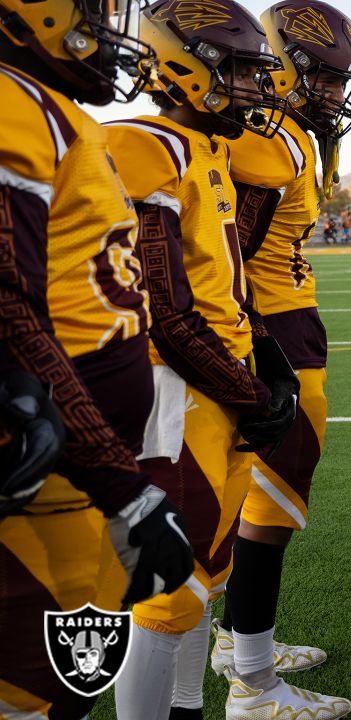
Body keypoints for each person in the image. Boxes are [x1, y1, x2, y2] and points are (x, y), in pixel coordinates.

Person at [104, 3, 306, 718]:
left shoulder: (206, 147)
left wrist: (257, 369)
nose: (258, 86)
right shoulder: (146, 144)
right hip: (174, 390)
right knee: (162, 593)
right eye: (244, 70)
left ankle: (189, 707)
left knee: (201, 582)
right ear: (189, 68)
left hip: (217, 386)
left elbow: (225, 278)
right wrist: (250, 391)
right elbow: (165, 307)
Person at [0, 1, 194, 716]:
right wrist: (123, 487)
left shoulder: (53, 109)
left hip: (79, 461)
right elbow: (5, 306)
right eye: (92, 9)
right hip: (57, 468)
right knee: (31, 695)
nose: (109, 29)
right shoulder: (13, 100)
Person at [205, 2, 351, 717]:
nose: (337, 96)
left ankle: (238, 643)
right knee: (271, 501)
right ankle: (252, 680)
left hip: (286, 318)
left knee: (251, 494)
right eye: (328, 81)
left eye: (342, 84)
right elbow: (225, 252)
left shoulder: (291, 133)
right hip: (270, 328)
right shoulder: (265, 140)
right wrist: (256, 350)